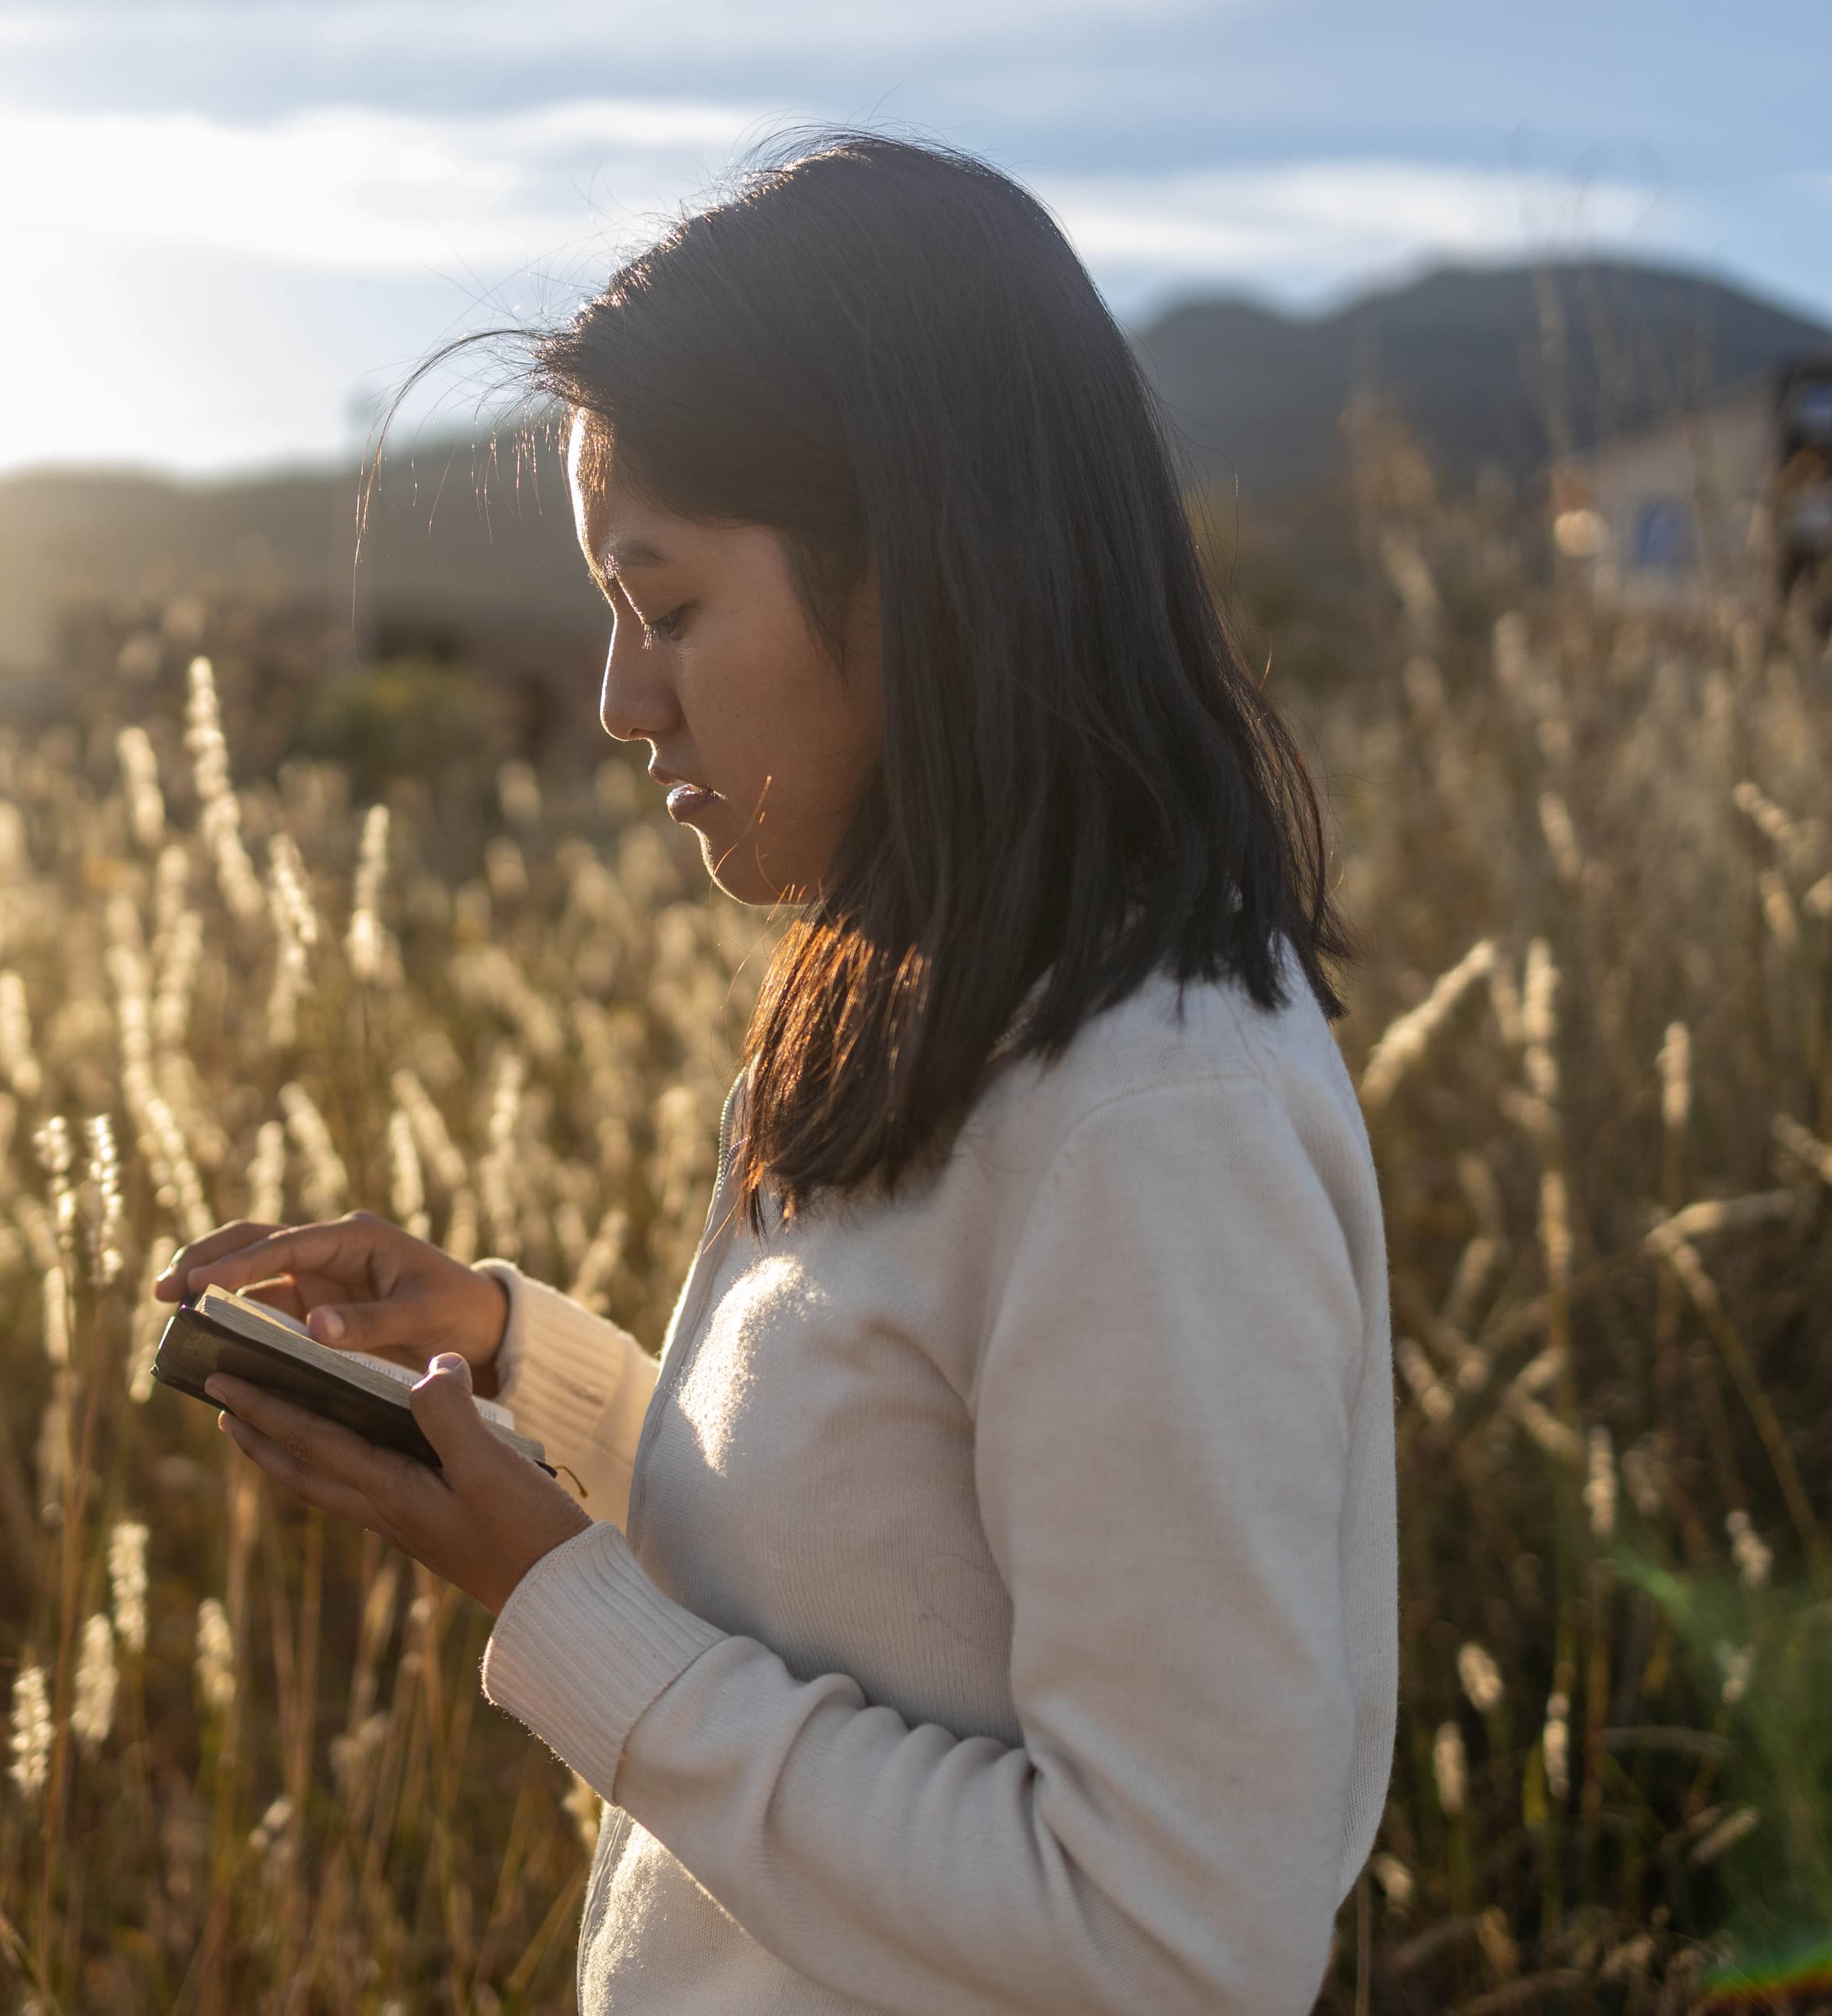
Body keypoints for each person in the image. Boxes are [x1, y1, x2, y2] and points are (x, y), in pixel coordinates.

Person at [154, 128, 1396, 2015]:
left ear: (927, 572)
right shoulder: (934, 986)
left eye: (668, 606)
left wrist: (568, 1612)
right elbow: (873, 1575)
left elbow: (1179, 1942)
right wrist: (513, 1355)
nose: (615, 698)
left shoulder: (1155, 1122)